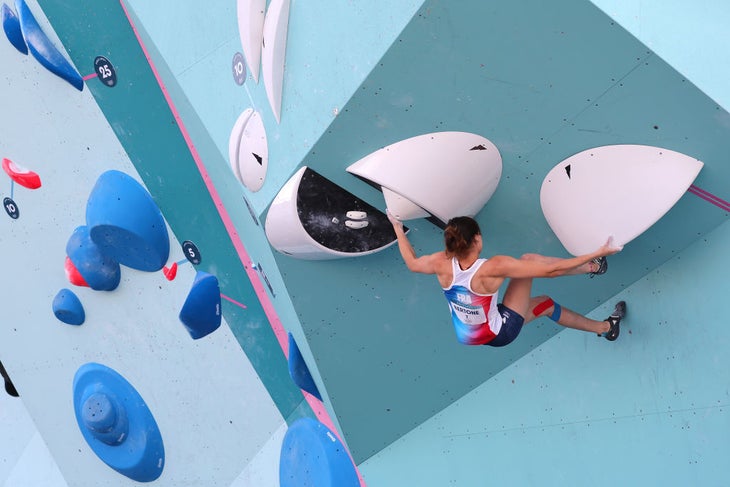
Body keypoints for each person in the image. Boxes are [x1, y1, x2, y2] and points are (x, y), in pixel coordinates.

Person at [388, 214, 626, 346]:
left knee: (546, 305)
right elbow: (550, 271)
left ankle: (607, 328)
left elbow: (412, 262)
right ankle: (593, 266)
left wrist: (397, 227)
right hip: (499, 332)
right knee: (531, 264)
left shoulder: (440, 262)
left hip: (473, 333)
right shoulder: (494, 267)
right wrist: (598, 251)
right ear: (478, 240)